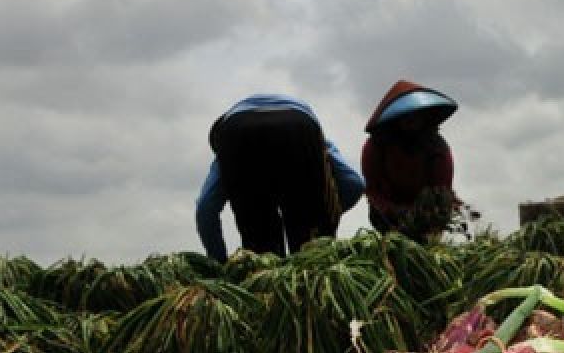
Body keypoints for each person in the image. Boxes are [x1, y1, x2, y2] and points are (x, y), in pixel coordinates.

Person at [196, 94, 365, 261]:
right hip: (299, 123)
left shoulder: (226, 149)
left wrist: (218, 261)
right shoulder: (321, 142)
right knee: (312, 257)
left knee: (263, 257)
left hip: (237, 131)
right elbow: (355, 183)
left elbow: (205, 207)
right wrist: (324, 214)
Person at [361, 80, 461, 240]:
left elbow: (442, 191)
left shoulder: (437, 149)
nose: (411, 121)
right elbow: (372, 189)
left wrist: (428, 217)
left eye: (416, 116)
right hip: (386, 216)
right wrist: (393, 211)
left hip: (426, 217)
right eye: (406, 116)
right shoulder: (377, 145)